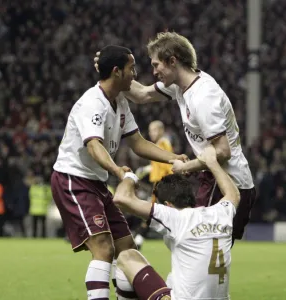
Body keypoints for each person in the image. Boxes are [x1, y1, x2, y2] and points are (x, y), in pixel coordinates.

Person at [51, 45, 187, 300]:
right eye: (131, 68)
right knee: (103, 248)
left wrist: (173, 157)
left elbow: (138, 142)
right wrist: (117, 170)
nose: (135, 74)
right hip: (73, 180)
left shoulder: (120, 102)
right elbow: (93, 145)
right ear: (116, 71)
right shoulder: (92, 103)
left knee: (127, 248)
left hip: (96, 182)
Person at [94, 31, 255, 243]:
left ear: (172, 61)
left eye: (156, 65)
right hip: (218, 178)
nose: (154, 72)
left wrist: (185, 167)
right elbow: (141, 94)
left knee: (196, 248)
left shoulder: (203, 97)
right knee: (205, 255)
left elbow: (223, 152)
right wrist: (112, 71)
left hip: (227, 182)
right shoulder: (182, 86)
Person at [113, 144, 240, 300]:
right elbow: (233, 195)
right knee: (172, 279)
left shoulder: (174, 217)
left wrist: (129, 178)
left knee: (127, 257)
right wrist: (212, 162)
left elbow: (121, 198)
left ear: (168, 205)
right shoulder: (220, 213)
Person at [133, 120, 174, 249]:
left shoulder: (163, 144)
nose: (151, 133)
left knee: (155, 213)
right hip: (158, 184)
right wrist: (146, 169)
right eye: (150, 131)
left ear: (161, 131)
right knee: (152, 213)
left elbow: (168, 165)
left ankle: (139, 239)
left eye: (154, 130)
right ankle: (139, 240)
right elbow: (158, 165)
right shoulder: (159, 145)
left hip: (163, 185)